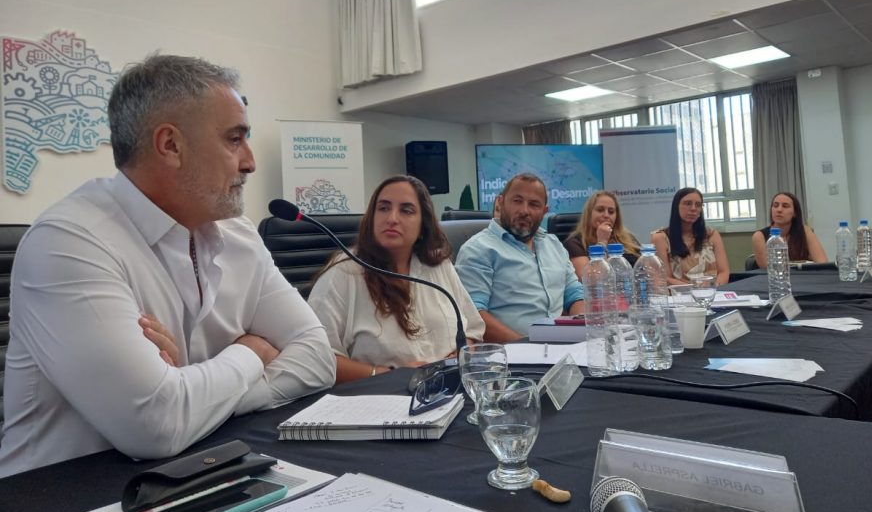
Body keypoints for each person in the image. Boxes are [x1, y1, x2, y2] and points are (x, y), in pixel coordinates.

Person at [0, 54, 336, 478]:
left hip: (189, 473)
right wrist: (251, 351)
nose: (250, 161)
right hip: (56, 505)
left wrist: (195, 391)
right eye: (234, 139)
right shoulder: (68, 241)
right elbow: (155, 425)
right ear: (171, 146)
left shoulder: (239, 234)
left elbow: (318, 359)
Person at [308, 175, 484, 383]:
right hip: (381, 397)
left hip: (447, 389)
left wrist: (462, 354)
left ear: (423, 225)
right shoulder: (343, 273)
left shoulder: (438, 266)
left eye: (406, 210)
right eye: (383, 208)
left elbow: (473, 329)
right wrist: (388, 375)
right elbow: (316, 358)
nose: (392, 218)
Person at [455, 173, 584, 341]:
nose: (524, 210)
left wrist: (582, 331)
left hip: (559, 349)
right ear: (500, 203)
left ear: (544, 211)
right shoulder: (478, 249)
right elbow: (473, 316)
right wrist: (528, 347)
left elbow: (575, 295)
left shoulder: (554, 245)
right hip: (510, 356)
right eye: (517, 201)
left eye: (534, 204)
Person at [651, 187, 730, 286]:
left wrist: (713, 287)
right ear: (676, 206)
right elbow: (665, 278)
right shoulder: (661, 238)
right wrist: (696, 290)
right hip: (680, 295)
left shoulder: (711, 235)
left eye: (698, 205)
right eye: (688, 203)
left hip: (712, 293)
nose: (693, 208)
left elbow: (724, 272)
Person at [564, 190, 641, 279]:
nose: (606, 215)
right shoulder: (575, 243)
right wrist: (602, 241)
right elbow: (590, 279)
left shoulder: (628, 239)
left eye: (611, 211)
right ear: (589, 213)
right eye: (600, 210)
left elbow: (645, 269)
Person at [752, 191, 828, 267]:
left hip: (802, 277)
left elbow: (822, 263)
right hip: (775, 278)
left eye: (785, 206)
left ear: (795, 213)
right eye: (775, 205)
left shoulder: (805, 231)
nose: (779, 210)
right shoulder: (759, 236)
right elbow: (766, 269)